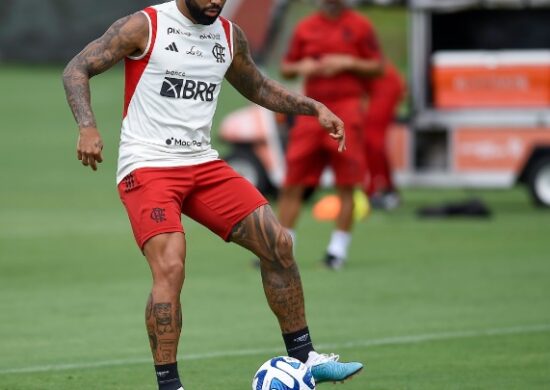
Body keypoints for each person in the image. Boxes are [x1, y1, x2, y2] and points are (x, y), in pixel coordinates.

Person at [62, 0, 363, 389]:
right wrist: (87, 127)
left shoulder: (228, 35)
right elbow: (77, 69)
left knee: (278, 242)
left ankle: (305, 359)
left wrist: (313, 107)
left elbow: (257, 86)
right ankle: (170, 385)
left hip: (202, 164)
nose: (214, 2)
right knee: (170, 267)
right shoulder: (145, 25)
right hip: (149, 166)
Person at [276, 0, 384, 270]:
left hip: (347, 108)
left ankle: (337, 251)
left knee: (347, 183)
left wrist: (348, 62)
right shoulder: (306, 27)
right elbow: (286, 68)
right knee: (292, 182)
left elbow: (378, 66)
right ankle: (284, 250)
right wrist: (304, 67)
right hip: (311, 110)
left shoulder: (359, 25)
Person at [363, 61, 405, 210]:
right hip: (377, 84)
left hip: (384, 84)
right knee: (370, 140)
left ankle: (378, 188)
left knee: (372, 140)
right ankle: (385, 187)